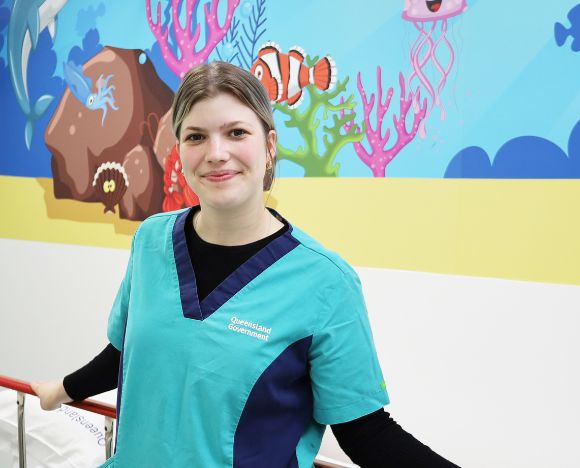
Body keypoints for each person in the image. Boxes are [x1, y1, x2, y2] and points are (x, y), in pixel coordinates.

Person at [31, 61, 458, 468]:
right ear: (179, 148)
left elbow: (366, 432)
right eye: (196, 137)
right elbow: (130, 352)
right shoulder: (150, 241)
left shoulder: (326, 283)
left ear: (269, 146)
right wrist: (61, 390)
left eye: (236, 132)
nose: (216, 153)